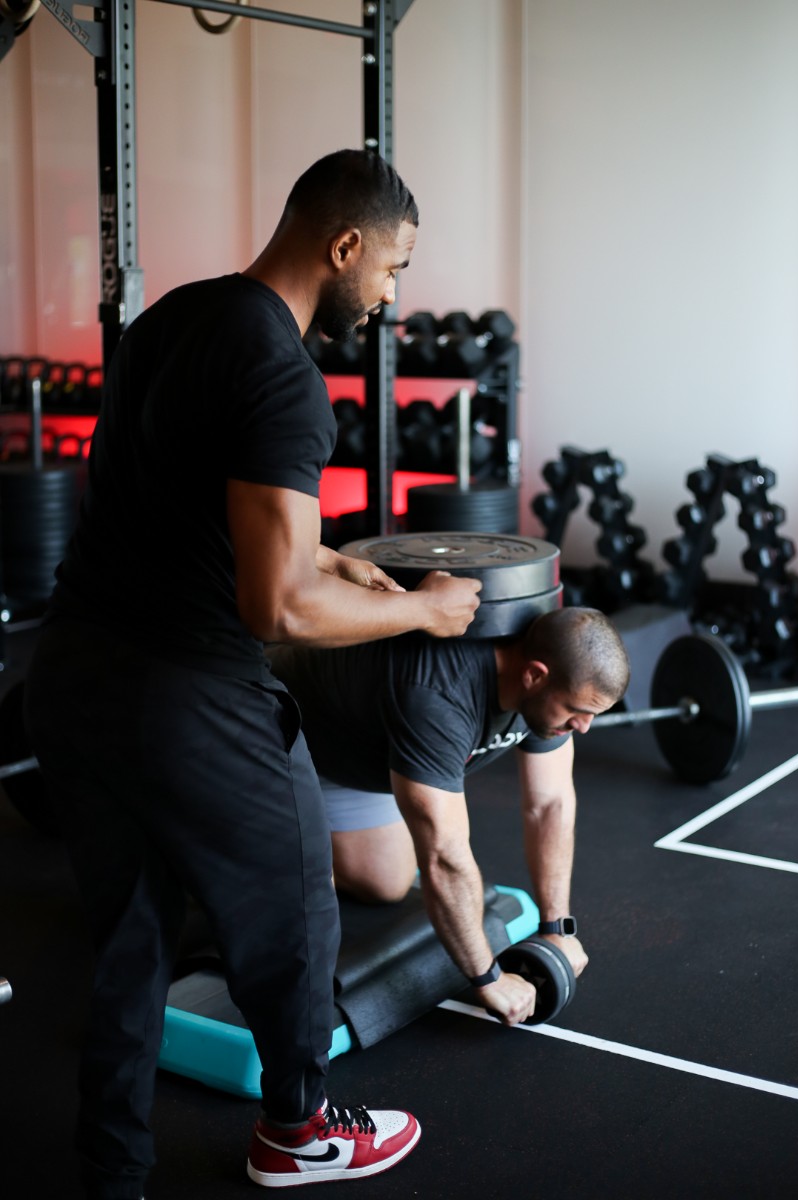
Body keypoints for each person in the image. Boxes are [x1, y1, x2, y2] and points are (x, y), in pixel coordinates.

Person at [23, 149, 483, 1199]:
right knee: (294, 914)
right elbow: (271, 609)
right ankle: (299, 1129)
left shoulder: (175, 321)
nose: (390, 298)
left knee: (130, 942)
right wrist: (420, 606)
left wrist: (329, 552)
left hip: (72, 676)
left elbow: (174, 494)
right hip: (186, 696)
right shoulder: (285, 376)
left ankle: (114, 1174)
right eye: (392, 271)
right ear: (345, 245)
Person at [267, 606, 630, 1024]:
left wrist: (556, 928)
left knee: (385, 883)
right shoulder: (440, 693)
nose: (584, 727)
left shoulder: (550, 691)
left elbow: (549, 804)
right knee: (305, 905)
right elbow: (444, 856)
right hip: (281, 735)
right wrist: (488, 978)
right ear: (534, 675)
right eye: (577, 710)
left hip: (358, 752)